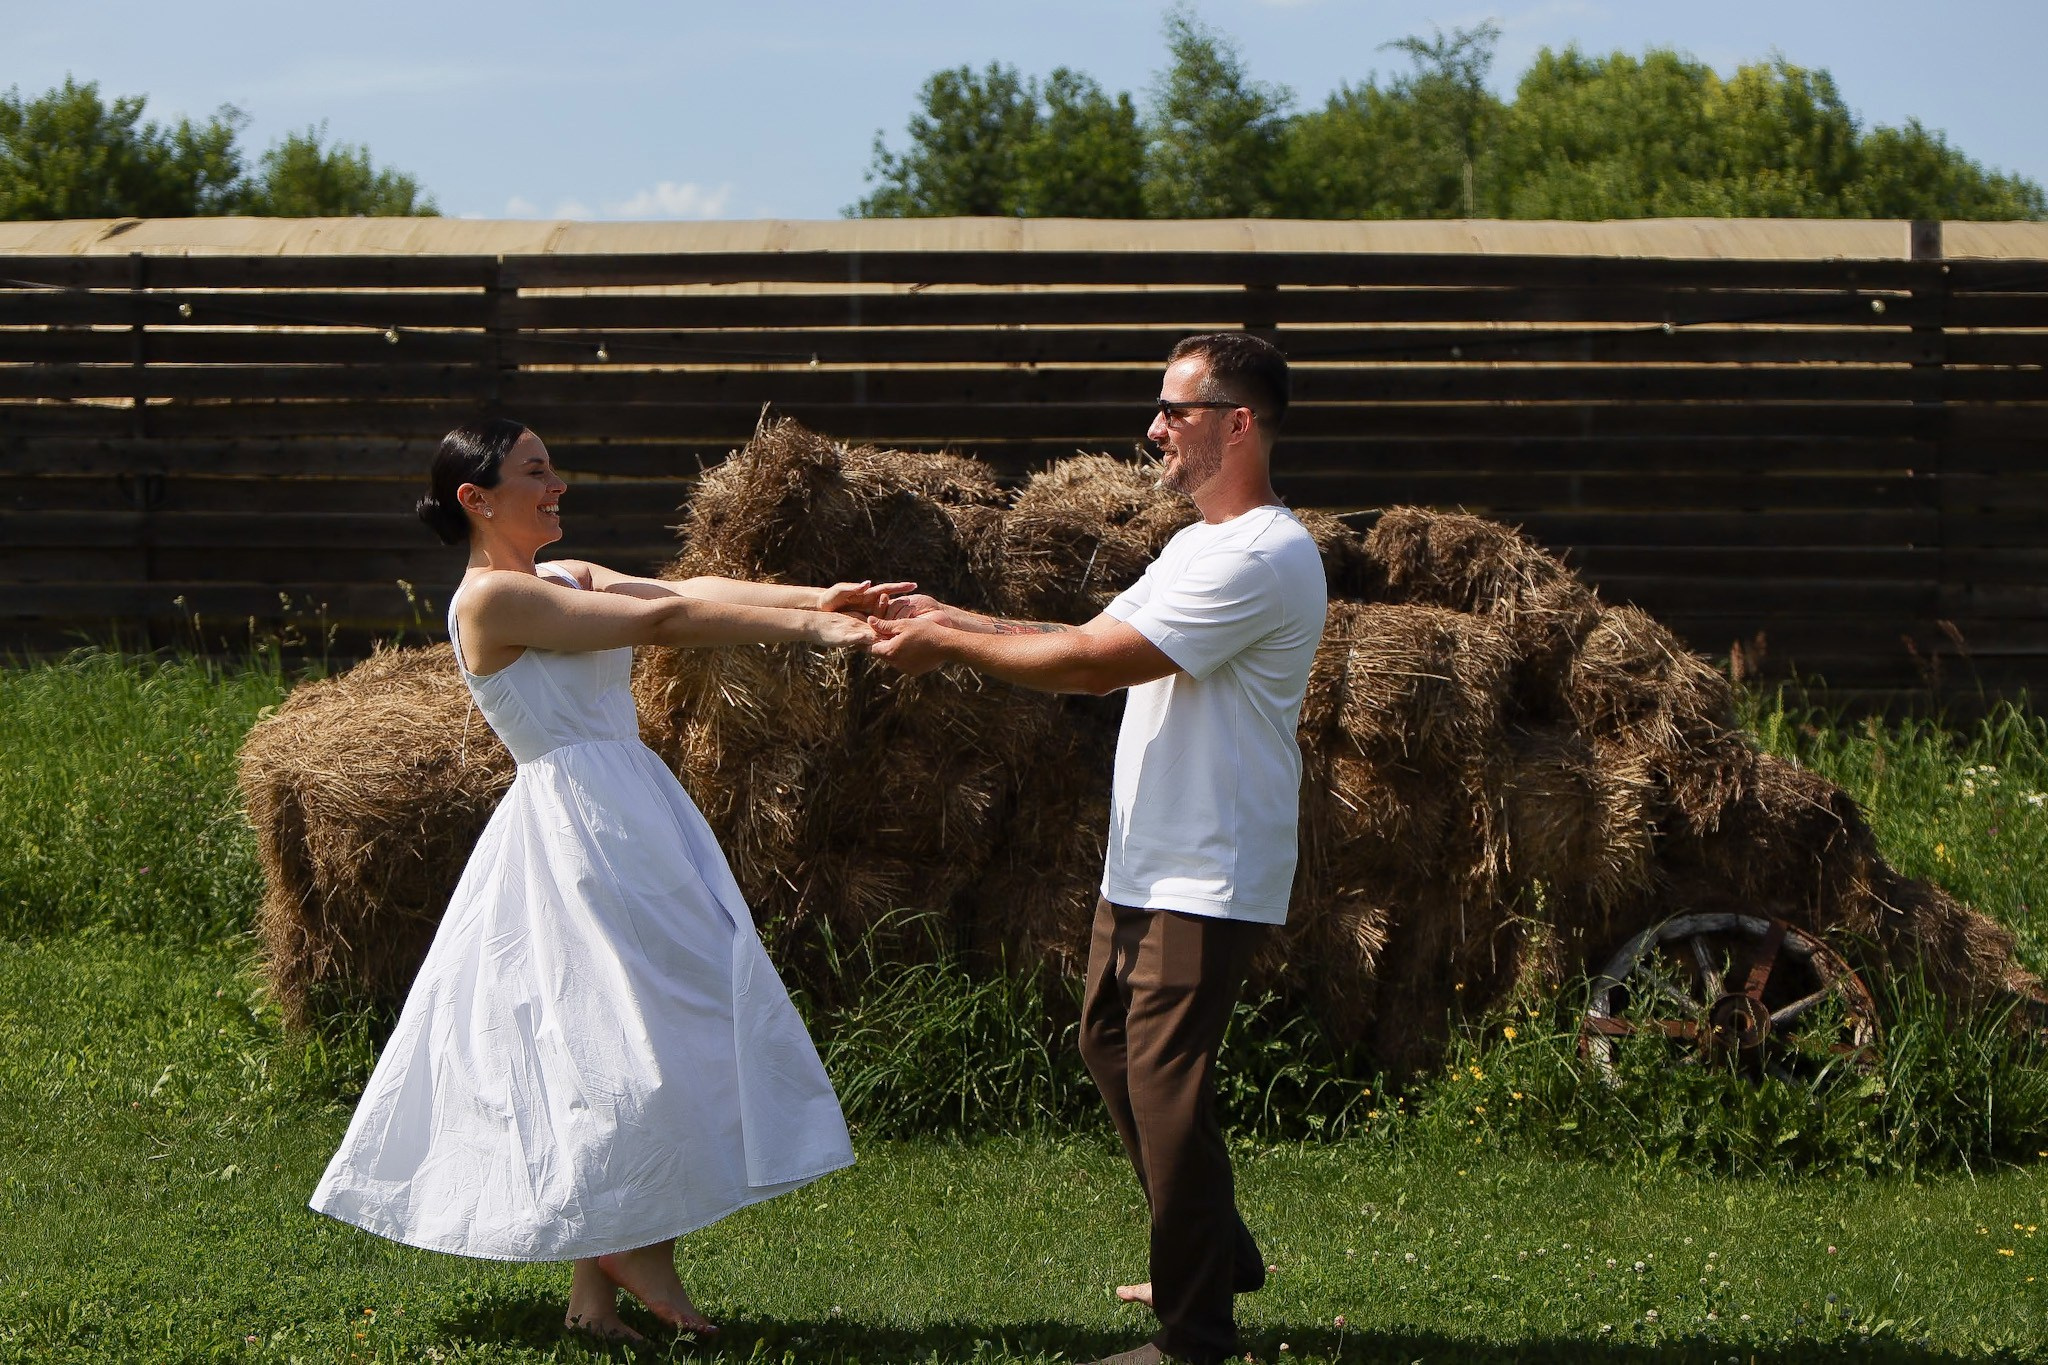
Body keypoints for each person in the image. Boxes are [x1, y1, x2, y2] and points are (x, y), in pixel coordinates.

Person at [310, 418, 903, 1344]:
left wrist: (815, 592)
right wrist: (813, 631)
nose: (557, 486)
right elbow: (664, 622)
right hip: (576, 832)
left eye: (554, 468)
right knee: (635, 1034)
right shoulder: (488, 603)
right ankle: (637, 1251)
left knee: (633, 1030)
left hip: (632, 813)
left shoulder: (561, 574)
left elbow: (685, 587)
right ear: (477, 498)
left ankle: (595, 1300)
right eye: (535, 473)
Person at [868, 333, 1326, 1365]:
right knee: (1108, 1044)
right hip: (1150, 856)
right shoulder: (1195, 545)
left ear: (1236, 423)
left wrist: (945, 645)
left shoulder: (1263, 554)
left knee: (1162, 1078)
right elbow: (1075, 636)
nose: (1152, 429)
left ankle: (1194, 1335)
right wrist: (951, 613)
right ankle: (1216, 1248)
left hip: (1206, 866)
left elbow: (1085, 669)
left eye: (1174, 411)